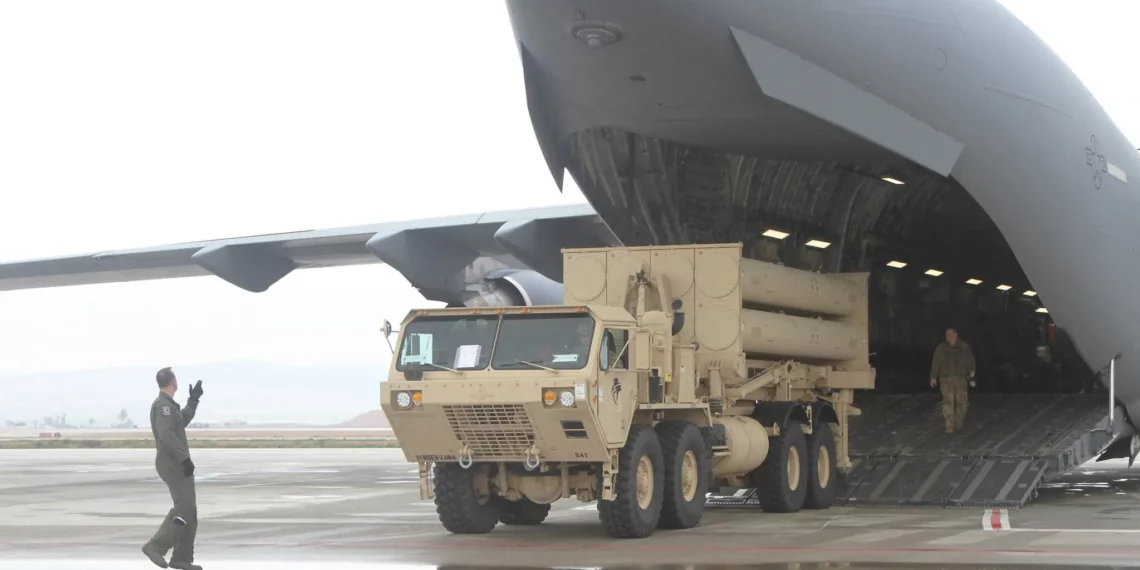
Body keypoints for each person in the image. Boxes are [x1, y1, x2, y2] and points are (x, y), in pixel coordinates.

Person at [141, 367, 204, 570]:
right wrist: (184, 459)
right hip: (172, 463)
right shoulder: (162, 406)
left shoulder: (169, 406)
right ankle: (156, 545)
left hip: (178, 462)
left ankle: (182, 558)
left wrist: (193, 401)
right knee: (183, 506)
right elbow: (167, 435)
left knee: (189, 510)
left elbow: (180, 422)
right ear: (173, 382)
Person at [930, 327, 976, 434]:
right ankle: (949, 426)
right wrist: (933, 377)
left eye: (950, 334)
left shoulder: (963, 346)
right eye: (946, 334)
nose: (947, 336)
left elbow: (970, 358)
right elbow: (936, 361)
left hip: (960, 377)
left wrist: (971, 370)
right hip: (945, 378)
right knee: (948, 401)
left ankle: (959, 421)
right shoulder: (941, 347)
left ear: (956, 334)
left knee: (961, 401)